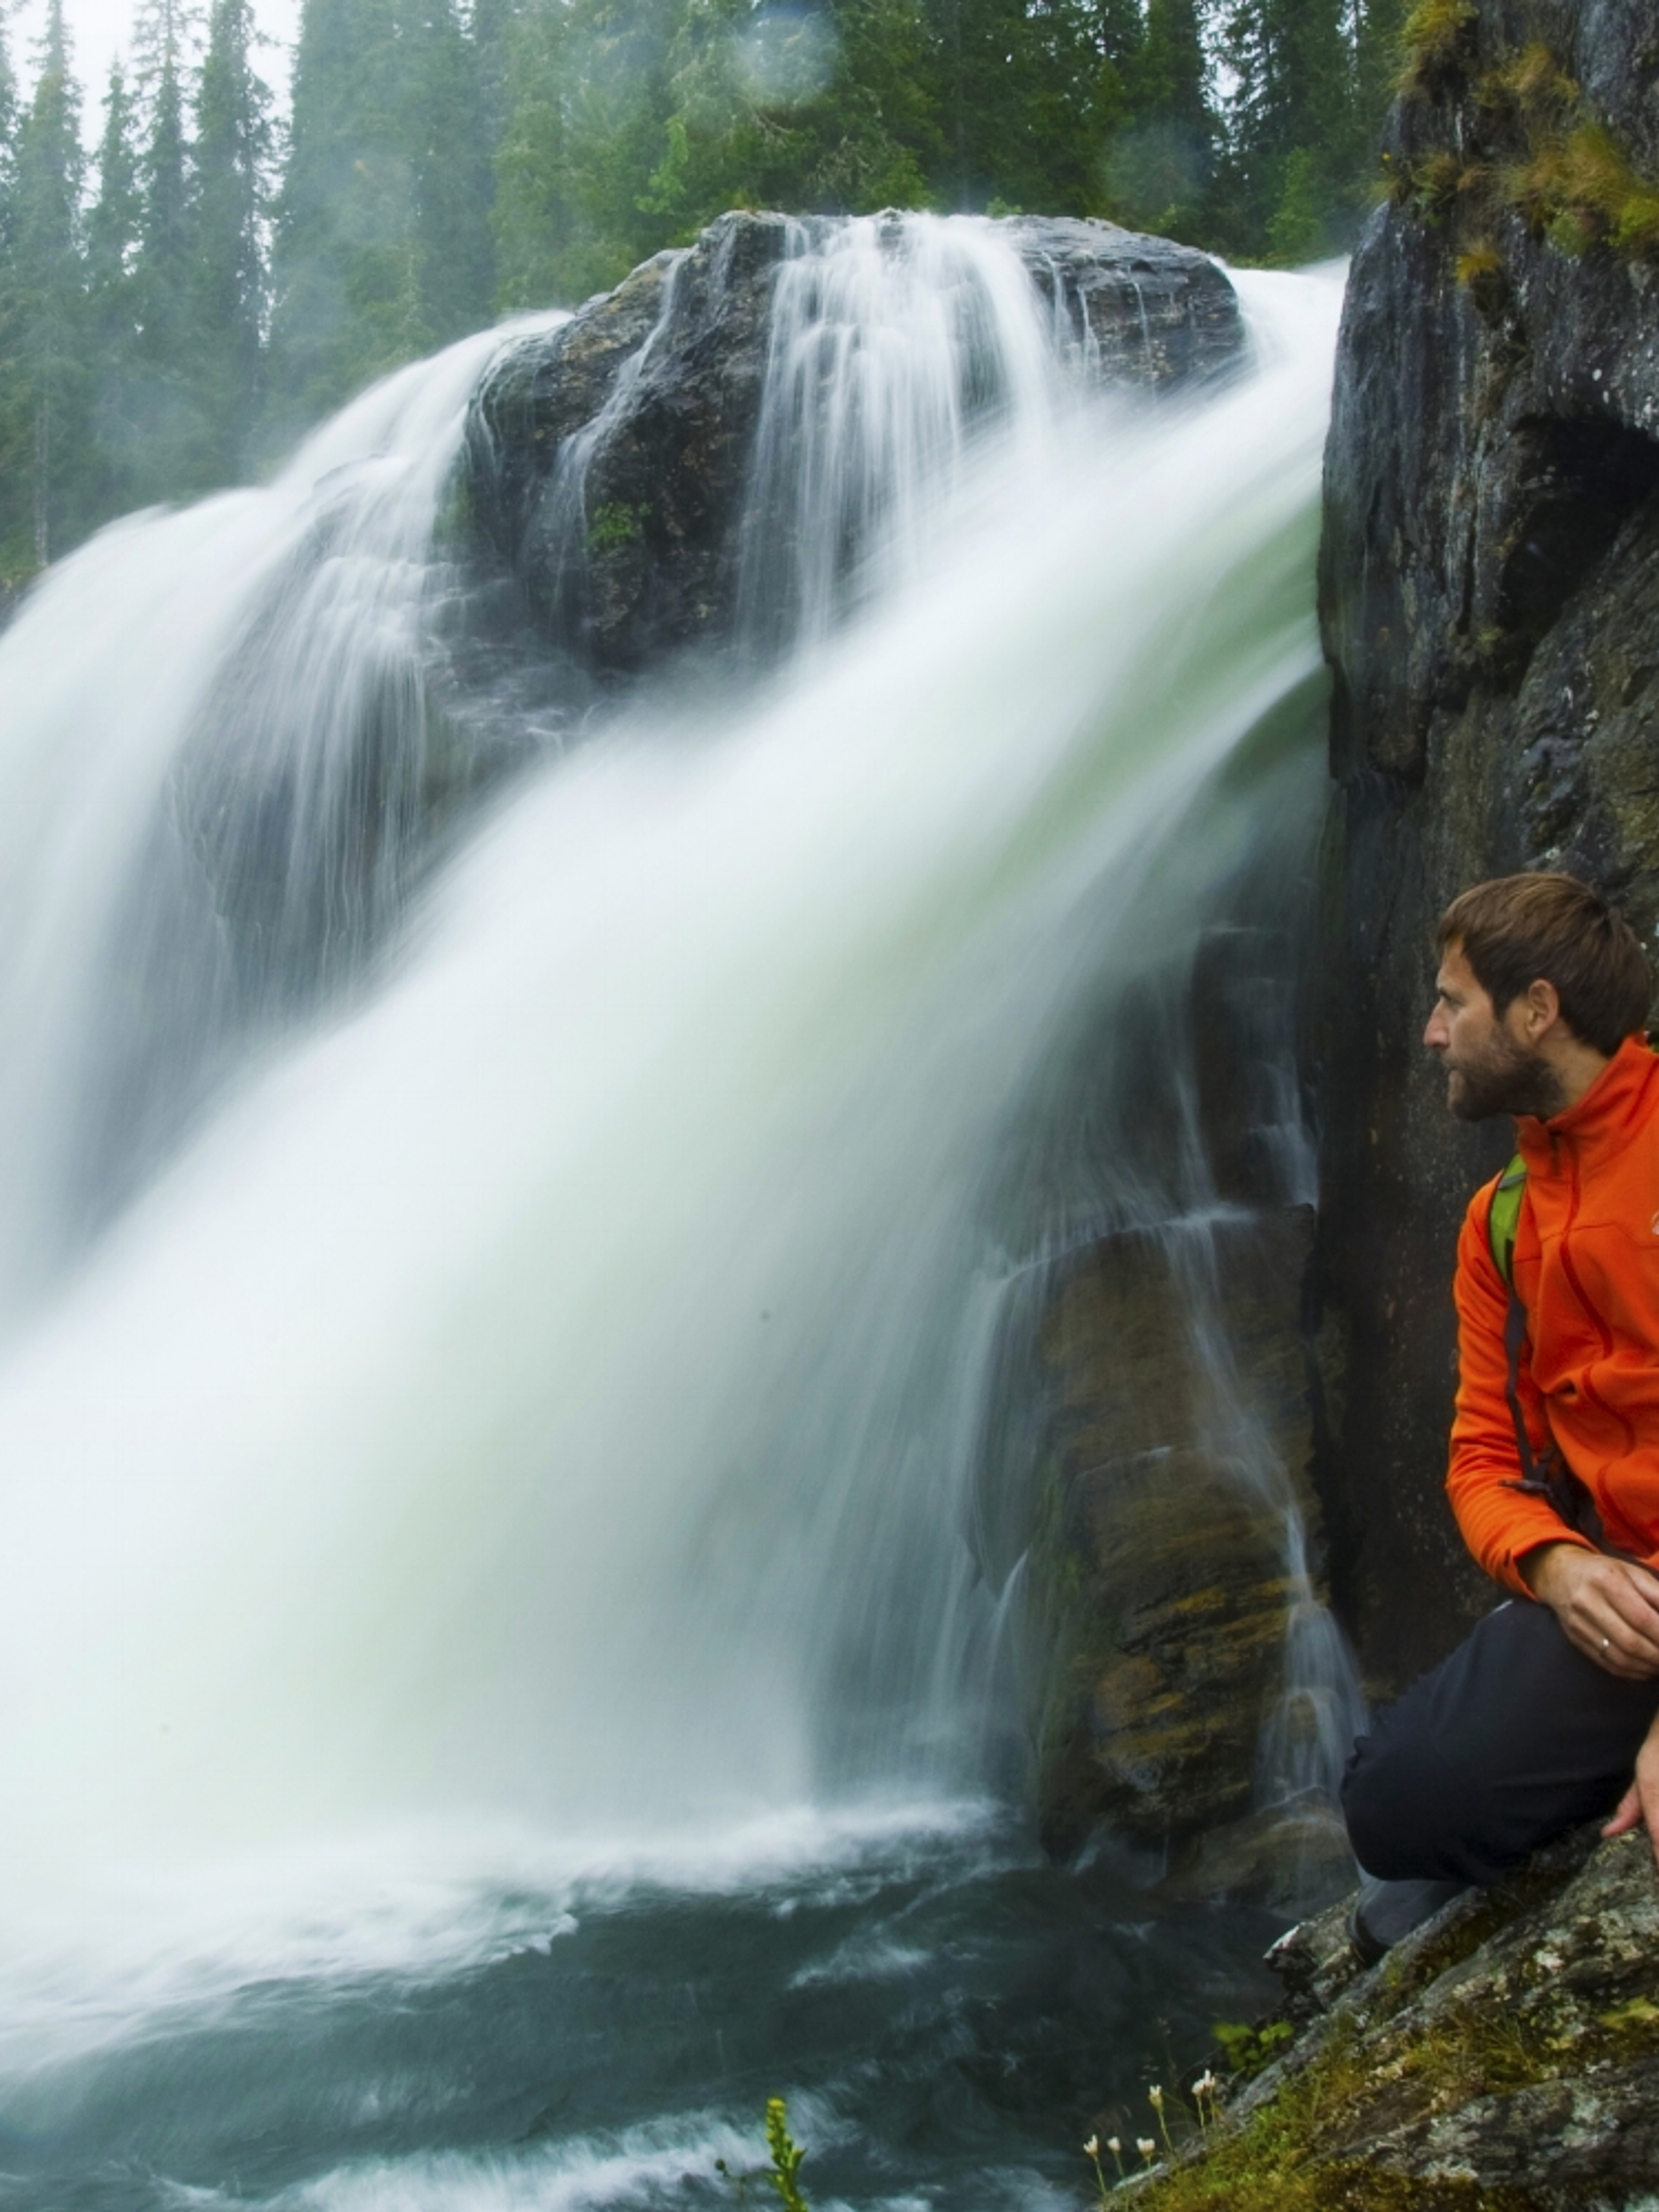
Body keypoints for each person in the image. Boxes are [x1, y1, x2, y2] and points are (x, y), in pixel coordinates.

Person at [1339, 871, 1659, 1961]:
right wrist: (1561, 1570)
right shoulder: (1501, 1222)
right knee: (1391, 1803)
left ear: (1537, 1011)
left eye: (1452, 1003)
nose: (1432, 1032)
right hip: (1628, 1591)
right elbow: (1481, 1460)